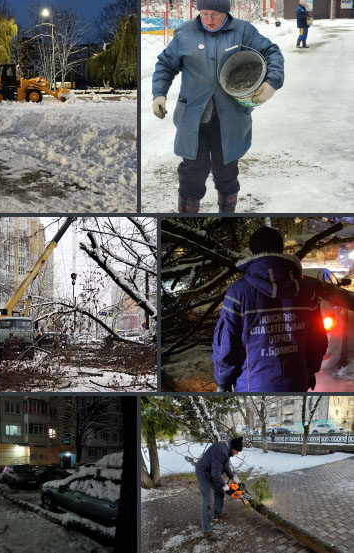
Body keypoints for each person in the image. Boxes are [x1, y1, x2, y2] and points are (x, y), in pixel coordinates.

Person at [152, 0, 284, 214]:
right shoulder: (185, 34)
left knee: (226, 170)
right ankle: (188, 216)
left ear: (226, 12)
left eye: (214, 14)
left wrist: (271, 83)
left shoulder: (243, 31)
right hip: (193, 116)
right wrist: (159, 94)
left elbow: (272, 52)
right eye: (204, 14)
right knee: (192, 170)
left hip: (230, 116)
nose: (209, 20)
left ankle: (226, 216)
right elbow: (166, 64)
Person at [212, 226, 328, 392]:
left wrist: (223, 382)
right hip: (296, 382)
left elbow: (226, 345)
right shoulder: (306, 291)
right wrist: (310, 370)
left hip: (252, 385)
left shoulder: (238, 293)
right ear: (281, 249)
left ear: (253, 252)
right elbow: (318, 340)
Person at [195, 437, 243, 540]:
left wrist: (232, 477)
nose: (237, 453)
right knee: (207, 500)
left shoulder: (226, 450)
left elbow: (225, 466)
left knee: (219, 491)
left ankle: (218, 512)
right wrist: (225, 485)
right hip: (203, 473)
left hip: (211, 473)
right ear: (233, 448)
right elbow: (216, 474)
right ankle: (207, 530)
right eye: (237, 451)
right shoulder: (221, 451)